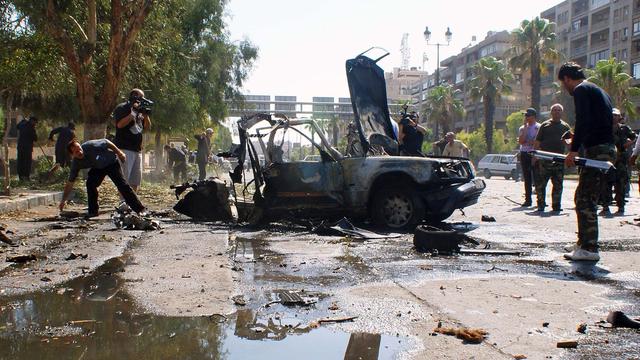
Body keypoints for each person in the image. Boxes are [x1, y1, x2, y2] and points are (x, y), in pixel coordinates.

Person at [558, 62, 615, 262]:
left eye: (563, 84)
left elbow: (583, 119)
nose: (565, 89)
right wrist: (577, 137)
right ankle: (584, 242)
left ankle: (589, 248)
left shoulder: (581, 89)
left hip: (597, 151)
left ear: (567, 79)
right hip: (605, 147)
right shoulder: (599, 90)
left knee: (585, 199)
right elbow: (595, 122)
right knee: (584, 196)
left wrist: (573, 150)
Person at [59, 139, 147, 218]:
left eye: (79, 148)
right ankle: (93, 211)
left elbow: (107, 142)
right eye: (76, 152)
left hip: (111, 163)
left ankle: (140, 209)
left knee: (122, 185)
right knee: (90, 184)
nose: (80, 152)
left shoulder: (91, 145)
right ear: (72, 155)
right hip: (98, 168)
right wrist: (63, 200)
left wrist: (119, 153)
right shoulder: (76, 164)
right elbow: (70, 183)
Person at [533, 104, 571, 212]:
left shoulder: (565, 126)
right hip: (545, 159)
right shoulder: (545, 125)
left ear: (561, 112)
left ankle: (556, 205)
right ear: (551, 112)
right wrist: (535, 155)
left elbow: (569, 143)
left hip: (559, 160)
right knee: (541, 184)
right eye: (554, 110)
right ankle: (540, 204)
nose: (557, 112)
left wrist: (571, 155)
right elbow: (537, 142)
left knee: (558, 184)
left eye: (559, 110)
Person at [113, 88, 152, 193]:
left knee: (135, 180)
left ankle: (133, 202)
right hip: (124, 148)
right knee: (125, 179)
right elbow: (120, 125)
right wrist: (133, 113)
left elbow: (147, 128)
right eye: (140, 97)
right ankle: (123, 202)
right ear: (134, 96)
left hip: (137, 149)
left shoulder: (140, 111)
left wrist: (145, 115)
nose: (142, 100)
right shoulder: (122, 108)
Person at [600, 108, 636, 215]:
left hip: (620, 161)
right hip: (606, 161)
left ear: (619, 117)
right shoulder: (603, 129)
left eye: (616, 115)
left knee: (620, 184)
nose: (614, 117)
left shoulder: (624, 129)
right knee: (605, 184)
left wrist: (627, 144)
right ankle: (605, 207)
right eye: (612, 115)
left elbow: (634, 137)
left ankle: (621, 207)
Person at [518, 108, 540, 207]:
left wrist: (531, 142)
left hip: (535, 153)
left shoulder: (538, 127)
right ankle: (528, 199)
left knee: (537, 176)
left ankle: (540, 200)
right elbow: (522, 141)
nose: (526, 117)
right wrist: (526, 128)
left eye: (528, 115)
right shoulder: (522, 128)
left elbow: (537, 142)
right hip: (524, 153)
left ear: (533, 116)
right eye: (525, 115)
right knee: (527, 177)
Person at [16, 116, 38, 181]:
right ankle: (26, 177)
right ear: (32, 121)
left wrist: (23, 121)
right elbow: (35, 138)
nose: (35, 124)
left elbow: (17, 126)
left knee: (20, 161)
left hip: (20, 147)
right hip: (27, 148)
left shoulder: (22, 124)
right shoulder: (31, 128)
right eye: (35, 122)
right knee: (27, 162)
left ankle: (20, 177)